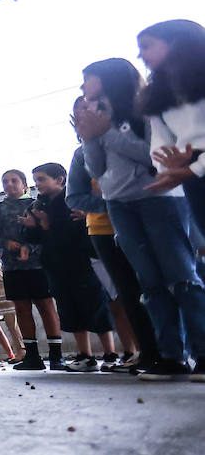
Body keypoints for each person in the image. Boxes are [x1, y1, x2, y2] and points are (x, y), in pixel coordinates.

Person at [77, 55, 205, 381]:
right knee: (149, 284)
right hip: (119, 205)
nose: (83, 86)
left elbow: (154, 157)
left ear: (107, 79)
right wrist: (90, 137)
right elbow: (97, 169)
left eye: (87, 78)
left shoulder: (144, 110)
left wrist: (104, 133)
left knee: (182, 277)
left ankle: (202, 353)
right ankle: (170, 357)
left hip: (160, 200)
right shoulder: (97, 116)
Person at [67, 133, 154, 373]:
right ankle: (145, 352)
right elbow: (75, 197)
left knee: (157, 286)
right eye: (80, 116)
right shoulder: (80, 155)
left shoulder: (136, 139)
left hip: (145, 221)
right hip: (103, 230)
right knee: (126, 294)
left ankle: (175, 351)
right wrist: (114, 200)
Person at [19, 162, 116, 373]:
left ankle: (110, 353)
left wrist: (46, 225)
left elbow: (75, 231)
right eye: (35, 180)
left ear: (60, 180)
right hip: (54, 264)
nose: (38, 184)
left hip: (80, 261)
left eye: (42, 179)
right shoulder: (38, 205)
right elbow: (35, 238)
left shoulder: (72, 201)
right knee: (69, 308)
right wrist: (32, 227)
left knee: (94, 304)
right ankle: (85, 355)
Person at [0, 169, 64, 370]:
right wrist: (6, 243)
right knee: (22, 309)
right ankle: (32, 357)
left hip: (39, 264)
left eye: (14, 180)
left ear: (24, 185)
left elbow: (48, 232)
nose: (9, 184)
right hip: (12, 267)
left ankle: (56, 356)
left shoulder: (36, 204)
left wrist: (31, 247)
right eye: (5, 181)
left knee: (46, 306)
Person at [138, 20, 205, 236]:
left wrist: (194, 168)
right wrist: (167, 167)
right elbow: (160, 141)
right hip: (191, 172)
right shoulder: (157, 93)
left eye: (147, 46)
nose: (141, 55)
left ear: (177, 42)